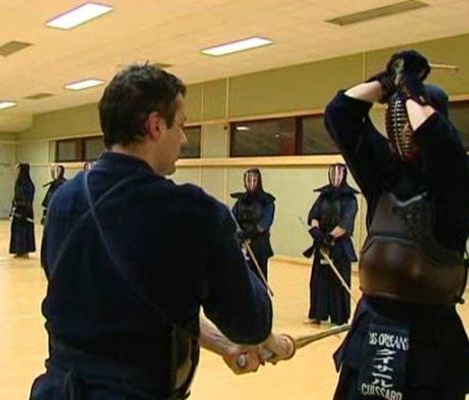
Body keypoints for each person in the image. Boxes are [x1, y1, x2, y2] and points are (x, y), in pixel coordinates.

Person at [30, 65, 293, 400]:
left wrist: (224, 345)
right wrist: (266, 338)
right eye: (180, 126)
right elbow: (249, 321)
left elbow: (149, 303)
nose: (184, 139)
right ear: (155, 126)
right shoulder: (192, 213)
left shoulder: (65, 200)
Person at [324, 50, 469, 399]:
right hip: (372, 329)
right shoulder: (384, 177)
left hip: (428, 341)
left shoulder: (459, 184)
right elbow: (339, 114)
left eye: (410, 119)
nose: (405, 129)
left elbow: (438, 142)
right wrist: (387, 83)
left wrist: (412, 88)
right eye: (398, 119)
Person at [303, 163, 358, 326]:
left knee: (337, 281)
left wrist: (330, 237)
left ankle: (338, 316)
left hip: (340, 245)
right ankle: (317, 314)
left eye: (339, 175)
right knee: (318, 280)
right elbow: (314, 215)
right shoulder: (323, 197)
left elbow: (345, 224)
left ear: (344, 176)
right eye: (333, 175)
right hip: (322, 242)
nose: (336, 178)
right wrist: (317, 233)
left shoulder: (350, 199)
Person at [231, 168, 276, 281]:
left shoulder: (267, 202)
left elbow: (265, 222)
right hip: (242, 244)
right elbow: (233, 219)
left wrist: (250, 233)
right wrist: (239, 235)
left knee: (259, 279)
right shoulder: (240, 202)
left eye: (254, 180)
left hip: (259, 244)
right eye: (248, 181)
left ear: (259, 181)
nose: (251, 184)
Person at [9, 163, 35, 257]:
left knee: (24, 232)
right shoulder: (18, 183)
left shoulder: (29, 184)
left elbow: (29, 199)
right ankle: (18, 250)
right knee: (16, 231)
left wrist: (25, 210)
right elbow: (15, 197)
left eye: (18, 170)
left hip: (25, 212)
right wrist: (12, 209)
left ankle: (25, 250)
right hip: (17, 211)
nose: (17, 172)